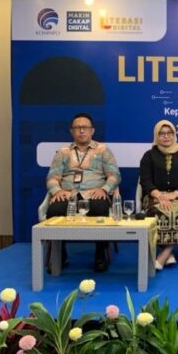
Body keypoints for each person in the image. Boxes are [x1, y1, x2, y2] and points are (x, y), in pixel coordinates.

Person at [45, 113, 121, 272]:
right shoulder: (62, 152)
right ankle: (60, 255)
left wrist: (104, 189)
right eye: (77, 128)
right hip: (68, 194)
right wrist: (57, 191)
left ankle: (100, 255)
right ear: (71, 131)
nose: (81, 131)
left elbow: (115, 175)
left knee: (100, 209)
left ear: (92, 130)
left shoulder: (103, 150)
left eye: (85, 127)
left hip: (94, 193)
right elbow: (52, 177)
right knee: (54, 210)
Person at [139, 120, 178, 270]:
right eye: (162, 133)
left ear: (174, 134)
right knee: (157, 211)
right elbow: (145, 181)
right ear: (156, 135)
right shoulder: (149, 155)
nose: (166, 136)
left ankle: (164, 254)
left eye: (169, 133)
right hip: (154, 195)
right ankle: (169, 253)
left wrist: (174, 194)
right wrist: (160, 196)